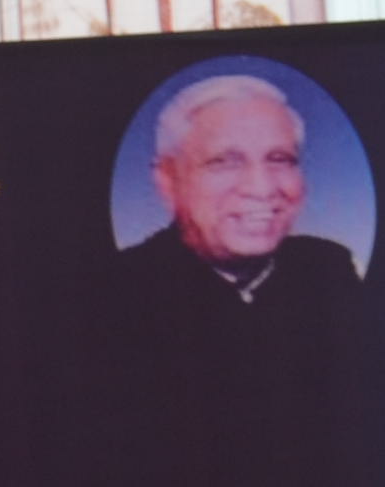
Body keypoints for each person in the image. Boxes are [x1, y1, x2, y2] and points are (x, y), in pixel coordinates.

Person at [117, 71, 360, 331]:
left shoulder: (328, 268)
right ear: (167, 181)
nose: (262, 188)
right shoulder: (122, 288)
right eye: (224, 162)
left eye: (279, 159)